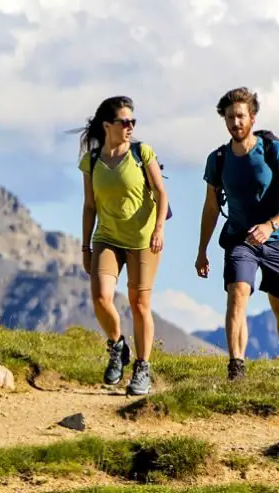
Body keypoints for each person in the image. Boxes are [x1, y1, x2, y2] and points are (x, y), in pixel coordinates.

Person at [195, 87, 279, 381]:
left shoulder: (272, 151)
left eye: (240, 116)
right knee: (237, 292)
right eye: (230, 117)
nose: (235, 123)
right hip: (240, 240)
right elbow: (211, 207)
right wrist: (202, 251)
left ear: (252, 118)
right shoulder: (217, 159)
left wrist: (270, 226)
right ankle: (236, 368)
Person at [76, 95, 170, 396]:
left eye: (133, 121)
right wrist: (86, 247)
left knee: (139, 304)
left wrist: (158, 230)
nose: (130, 126)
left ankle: (142, 367)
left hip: (143, 240)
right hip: (107, 236)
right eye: (124, 122)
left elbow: (161, 193)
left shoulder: (142, 153)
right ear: (107, 126)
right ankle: (117, 345)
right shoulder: (92, 161)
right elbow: (89, 206)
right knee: (101, 297)